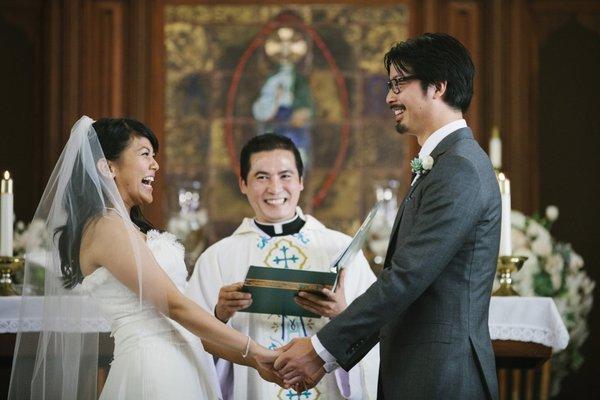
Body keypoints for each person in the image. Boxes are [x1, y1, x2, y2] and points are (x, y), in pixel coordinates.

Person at [275, 33, 501, 400]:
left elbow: (407, 278)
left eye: (399, 83)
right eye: (389, 84)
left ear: (438, 86)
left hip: (443, 376)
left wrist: (319, 351)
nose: (389, 97)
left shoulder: (459, 168)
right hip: (423, 371)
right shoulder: (445, 163)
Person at [9, 116, 280, 400]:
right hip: (154, 371)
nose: (155, 165)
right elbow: (175, 306)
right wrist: (257, 349)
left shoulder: (130, 228)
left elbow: (185, 324)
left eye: (155, 156)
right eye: (144, 154)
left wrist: (256, 360)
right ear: (108, 167)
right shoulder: (105, 226)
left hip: (183, 365)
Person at [186, 133, 379, 399]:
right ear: (243, 183)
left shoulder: (342, 249)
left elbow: (378, 336)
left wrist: (342, 314)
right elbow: (190, 344)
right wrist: (219, 315)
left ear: (301, 181)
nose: (275, 188)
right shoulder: (217, 258)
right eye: (261, 177)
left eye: (285, 176)